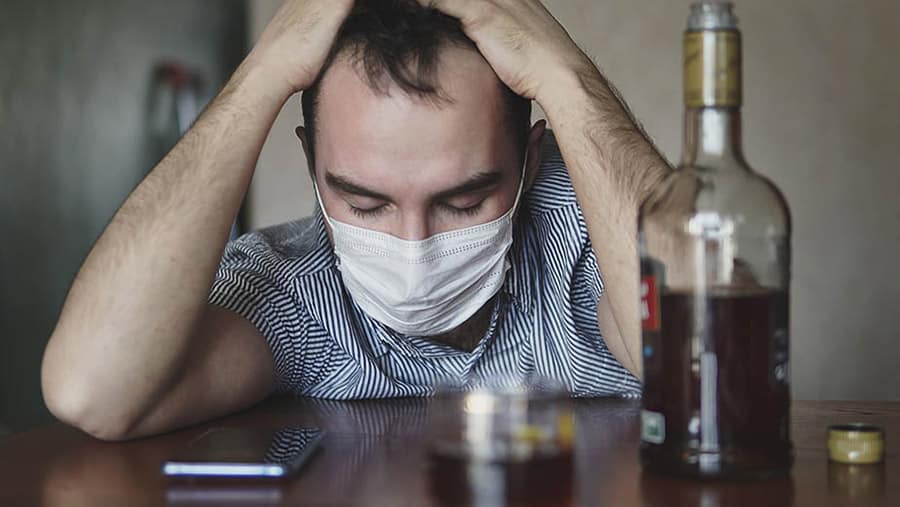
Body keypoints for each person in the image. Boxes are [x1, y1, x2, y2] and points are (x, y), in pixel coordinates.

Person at [41, 0, 669, 441]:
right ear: (314, 168)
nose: (414, 247)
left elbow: (706, 357)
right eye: (365, 204)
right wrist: (262, 76)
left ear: (530, 164)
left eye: (464, 201)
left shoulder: (590, 242)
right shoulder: (292, 294)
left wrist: (564, 74)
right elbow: (89, 392)